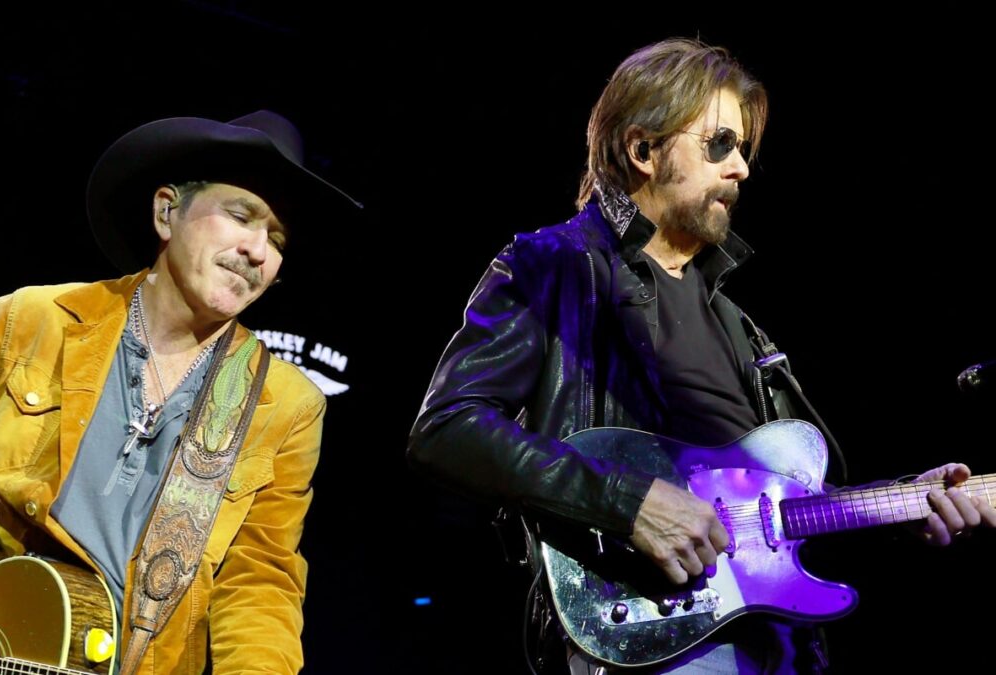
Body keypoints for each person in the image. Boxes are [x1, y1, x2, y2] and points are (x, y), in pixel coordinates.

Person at [407, 39, 995, 673]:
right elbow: (445, 430)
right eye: (720, 144)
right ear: (643, 150)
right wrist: (626, 501)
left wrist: (905, 500)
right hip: (642, 632)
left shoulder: (741, 328)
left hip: (776, 645)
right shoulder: (553, 269)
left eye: (744, 149)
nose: (740, 167)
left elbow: (773, 514)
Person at [0, 110, 359, 673]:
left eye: (276, 239)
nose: (257, 251)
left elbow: (260, 582)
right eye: (241, 216)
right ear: (166, 212)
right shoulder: (34, 321)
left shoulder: (287, 404)